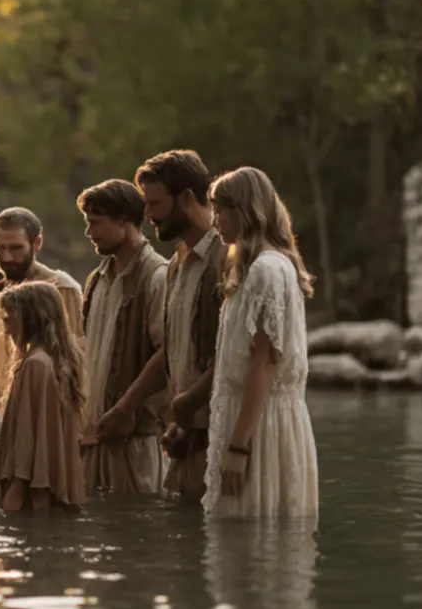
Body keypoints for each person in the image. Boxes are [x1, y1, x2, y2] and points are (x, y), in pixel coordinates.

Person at [203, 167, 319, 519]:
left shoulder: (267, 271)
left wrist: (239, 446)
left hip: (261, 428)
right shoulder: (262, 267)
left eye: (220, 210)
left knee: (250, 536)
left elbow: (264, 363)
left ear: (244, 210)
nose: (214, 221)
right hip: (257, 420)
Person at [135, 150, 228, 505]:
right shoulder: (175, 265)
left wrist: (189, 405)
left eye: (155, 203)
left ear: (187, 198)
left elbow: (237, 352)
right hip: (185, 440)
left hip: (224, 439)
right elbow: (176, 352)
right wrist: (177, 420)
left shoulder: (226, 259)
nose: (148, 215)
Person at [77, 179, 169, 495]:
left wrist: (126, 407)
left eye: (95, 223)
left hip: (137, 439)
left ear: (124, 220)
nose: (89, 232)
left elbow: (168, 354)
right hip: (94, 439)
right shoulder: (97, 279)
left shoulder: (157, 276)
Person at [0, 281, 87, 512]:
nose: (6, 329)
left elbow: (29, 437)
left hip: (32, 495)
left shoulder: (36, 365)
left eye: (10, 318)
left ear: (31, 317)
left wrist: (16, 490)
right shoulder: (55, 362)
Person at [0, 207, 84, 400]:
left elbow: (77, 358)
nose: (7, 257)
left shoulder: (63, 289)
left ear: (37, 243)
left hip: (46, 399)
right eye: (1, 248)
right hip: (0, 401)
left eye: (16, 248)